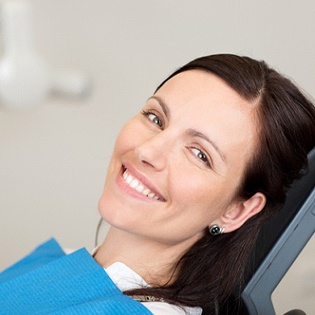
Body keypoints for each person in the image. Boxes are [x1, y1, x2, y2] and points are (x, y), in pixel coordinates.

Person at [1, 54, 315, 315]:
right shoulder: (61, 260)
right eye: (156, 118)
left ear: (236, 210)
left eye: (199, 154)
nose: (148, 151)